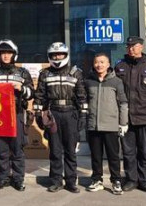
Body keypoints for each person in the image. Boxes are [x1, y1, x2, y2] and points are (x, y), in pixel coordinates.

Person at [34, 42, 87, 193]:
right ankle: (56, 181)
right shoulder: (45, 73)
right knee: (55, 151)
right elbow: (39, 96)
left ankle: (71, 182)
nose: (57, 57)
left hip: (71, 113)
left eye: (60, 54)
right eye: (54, 55)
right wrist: (38, 114)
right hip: (53, 114)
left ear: (66, 55)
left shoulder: (75, 72)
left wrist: (83, 115)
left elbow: (82, 96)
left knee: (70, 151)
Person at [114, 35, 146, 193]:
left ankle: (144, 181)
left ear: (141, 47)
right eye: (128, 46)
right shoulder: (120, 66)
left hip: (145, 116)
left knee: (145, 152)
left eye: (134, 46)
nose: (131, 49)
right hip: (126, 117)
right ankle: (131, 180)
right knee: (128, 152)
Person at [0, 39, 33, 192]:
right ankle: (3, 178)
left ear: (14, 55)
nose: (6, 56)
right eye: (2, 53)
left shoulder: (22, 73)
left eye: (9, 53)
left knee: (17, 148)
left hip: (17, 113)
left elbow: (31, 93)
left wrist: (22, 88)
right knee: (2, 149)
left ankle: (18, 179)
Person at [83, 53, 128, 195]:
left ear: (108, 64)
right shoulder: (88, 81)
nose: (99, 65)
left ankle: (116, 181)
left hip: (111, 125)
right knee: (96, 156)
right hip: (93, 125)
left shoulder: (116, 81)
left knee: (113, 156)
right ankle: (97, 180)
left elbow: (123, 103)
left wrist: (123, 123)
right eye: (97, 62)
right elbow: (83, 102)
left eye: (102, 62)